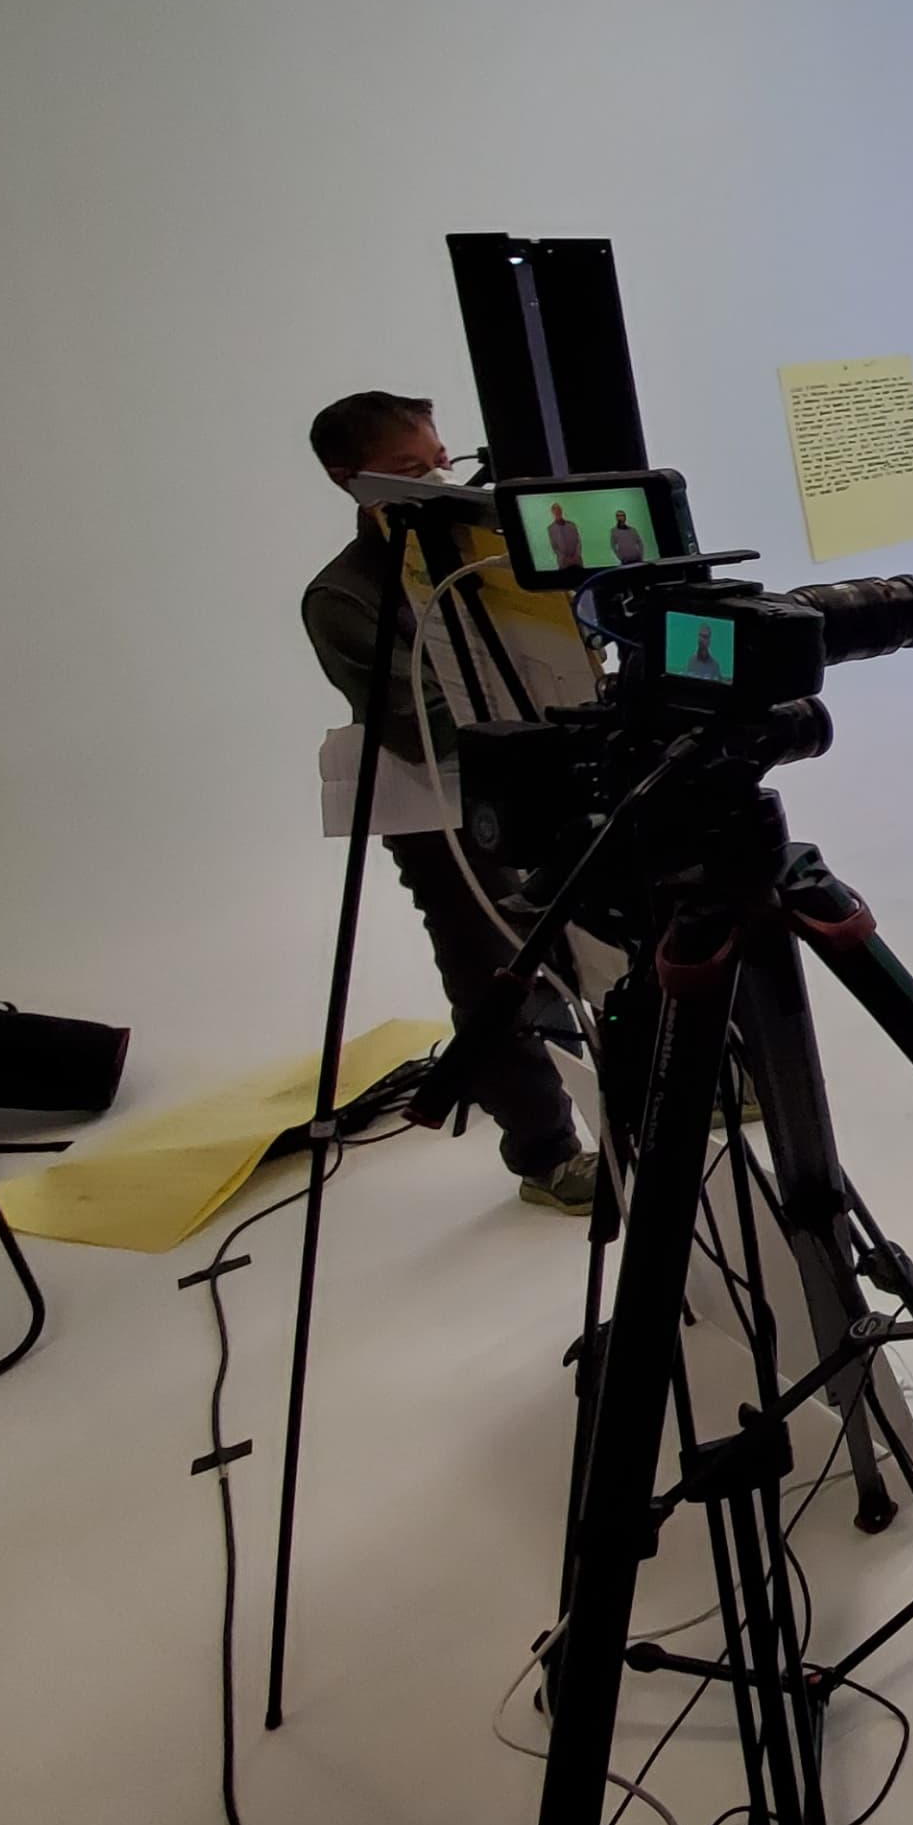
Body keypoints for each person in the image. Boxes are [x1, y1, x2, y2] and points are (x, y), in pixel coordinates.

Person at [301, 391, 598, 1212]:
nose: (437, 480)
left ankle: (655, 1096)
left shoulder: (490, 555)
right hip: (445, 812)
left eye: (440, 459)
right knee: (493, 973)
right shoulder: (346, 597)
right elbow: (421, 723)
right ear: (348, 479)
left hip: (546, 777)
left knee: (600, 939)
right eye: (408, 469)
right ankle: (546, 1156)